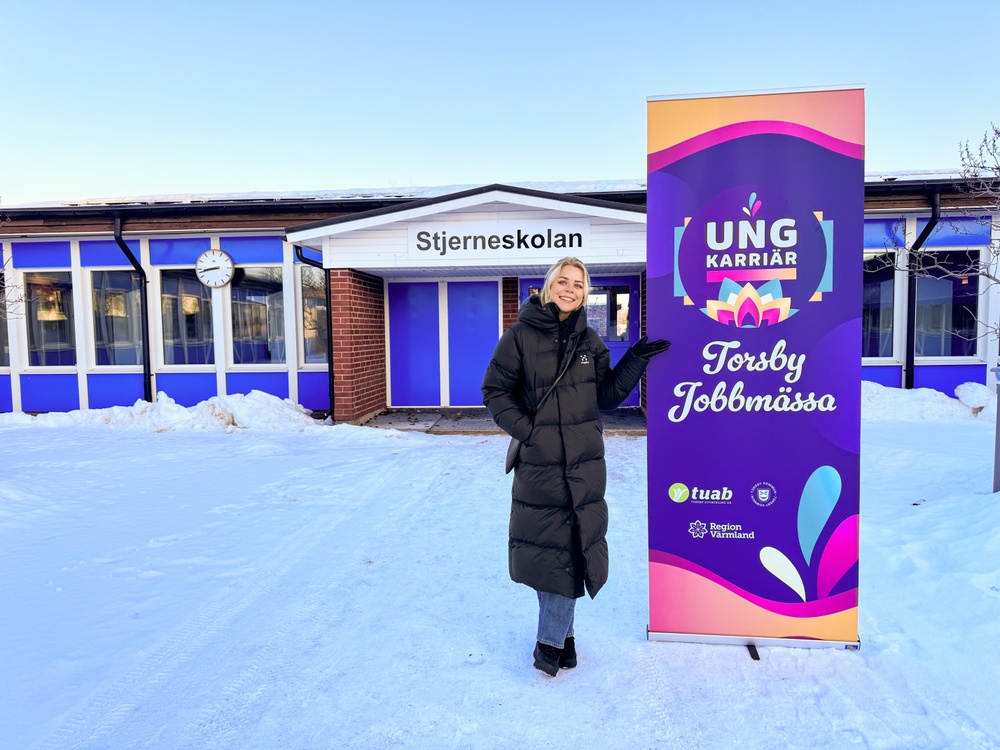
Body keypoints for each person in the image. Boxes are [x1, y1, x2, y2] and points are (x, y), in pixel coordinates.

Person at [481, 257, 671, 677]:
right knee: (556, 551)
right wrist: (531, 431)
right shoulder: (518, 337)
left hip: (584, 461)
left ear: (586, 293)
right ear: (548, 287)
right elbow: (494, 392)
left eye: (579, 284)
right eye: (563, 281)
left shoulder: (590, 341)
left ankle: (561, 640)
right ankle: (550, 646)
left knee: (569, 548)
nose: (571, 289)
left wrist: (636, 358)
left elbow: (606, 395)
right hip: (541, 462)